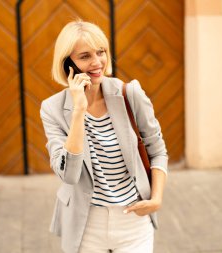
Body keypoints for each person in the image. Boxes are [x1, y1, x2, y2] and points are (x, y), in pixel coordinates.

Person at [40, 20, 168, 253]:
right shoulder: (53, 109)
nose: (97, 62)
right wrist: (78, 111)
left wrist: (156, 198)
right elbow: (69, 175)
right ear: (68, 64)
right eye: (85, 56)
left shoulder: (129, 94)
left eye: (101, 52)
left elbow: (157, 150)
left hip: (134, 220)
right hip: (85, 224)